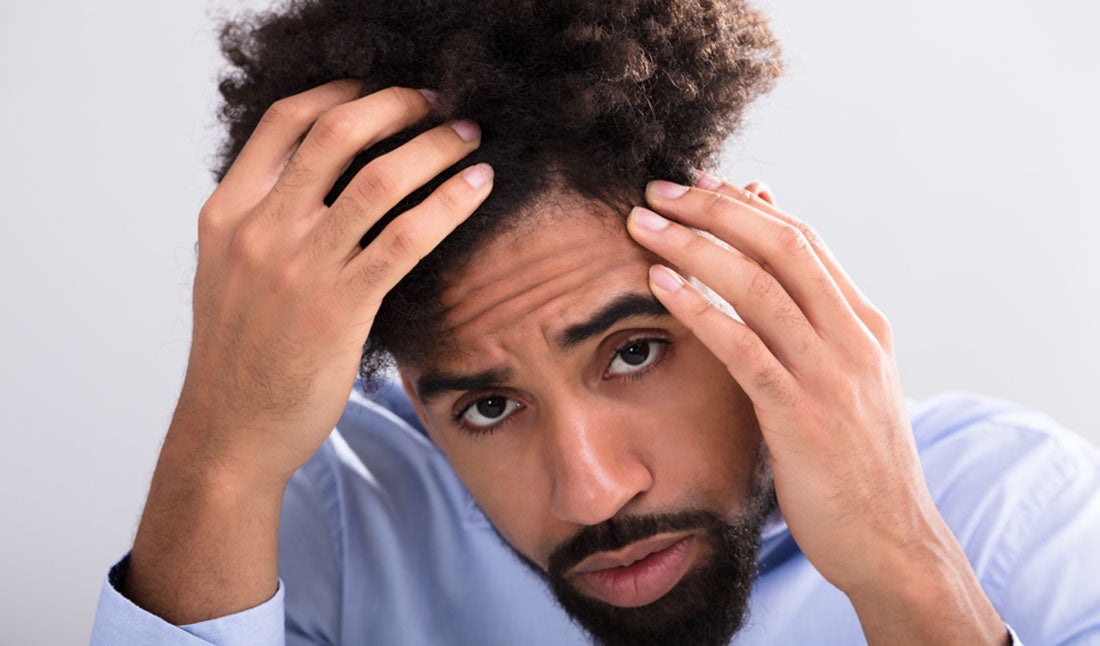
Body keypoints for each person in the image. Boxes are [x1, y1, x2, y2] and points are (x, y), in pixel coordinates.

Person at [91, 0, 1100, 644]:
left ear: (743, 268)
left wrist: (901, 564)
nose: (590, 489)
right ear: (409, 397)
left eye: (632, 351)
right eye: (487, 405)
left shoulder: (1021, 516)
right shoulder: (325, 527)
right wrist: (218, 446)